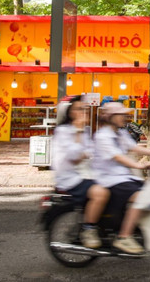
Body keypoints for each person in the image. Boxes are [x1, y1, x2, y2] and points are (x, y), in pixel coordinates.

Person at [92, 102, 150, 255]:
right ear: (111, 117)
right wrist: (139, 166)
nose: (124, 117)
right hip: (110, 179)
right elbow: (117, 157)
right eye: (121, 115)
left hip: (123, 177)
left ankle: (131, 226)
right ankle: (124, 237)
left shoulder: (120, 133)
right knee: (141, 196)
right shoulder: (103, 136)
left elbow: (134, 147)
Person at [51, 96, 110, 249]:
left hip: (86, 173)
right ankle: (88, 229)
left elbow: (90, 151)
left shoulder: (85, 130)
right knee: (100, 193)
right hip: (71, 177)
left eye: (85, 108)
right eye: (79, 109)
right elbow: (75, 156)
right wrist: (78, 130)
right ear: (70, 112)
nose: (84, 112)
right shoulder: (64, 131)